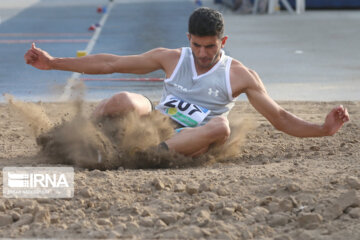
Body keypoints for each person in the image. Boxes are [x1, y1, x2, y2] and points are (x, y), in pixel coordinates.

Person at [24, 7, 349, 157]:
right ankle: (72, 139)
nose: (203, 53)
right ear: (188, 39)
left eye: (211, 46)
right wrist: (54, 63)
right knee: (123, 97)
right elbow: (111, 63)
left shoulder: (239, 75)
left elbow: (279, 118)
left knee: (221, 126)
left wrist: (322, 129)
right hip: (157, 123)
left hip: (193, 138)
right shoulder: (171, 57)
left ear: (223, 41)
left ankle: (145, 158)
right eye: (197, 45)